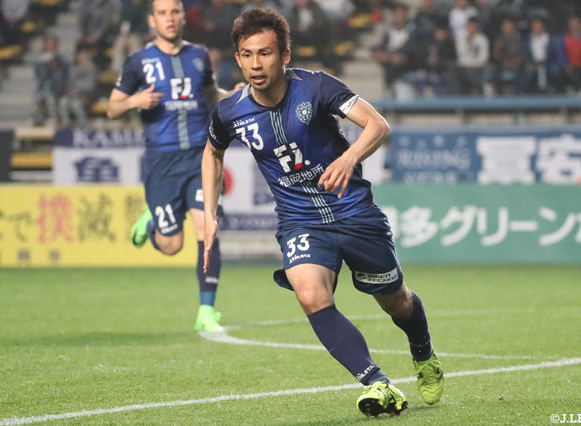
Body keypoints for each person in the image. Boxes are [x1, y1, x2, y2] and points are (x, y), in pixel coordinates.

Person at [201, 8, 444, 417]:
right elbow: (212, 152)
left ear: (284, 55)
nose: (256, 64)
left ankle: (423, 352)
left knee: (396, 302)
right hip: (300, 221)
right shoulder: (230, 111)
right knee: (310, 295)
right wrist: (210, 213)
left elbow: (378, 125)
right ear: (238, 58)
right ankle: (378, 383)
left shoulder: (316, 87)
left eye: (265, 53)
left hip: (354, 212)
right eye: (247, 55)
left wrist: (348, 158)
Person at [107, 0, 241, 333]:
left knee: (207, 229)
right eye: (163, 13)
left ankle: (206, 311)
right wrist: (136, 100)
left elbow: (210, 94)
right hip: (162, 162)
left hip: (200, 156)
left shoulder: (198, 55)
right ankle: (152, 219)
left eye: (175, 11)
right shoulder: (139, 61)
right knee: (171, 245)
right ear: (152, 20)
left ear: (183, 16)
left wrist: (232, 95)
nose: (170, 18)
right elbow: (113, 107)